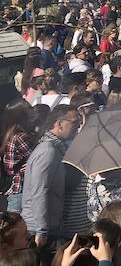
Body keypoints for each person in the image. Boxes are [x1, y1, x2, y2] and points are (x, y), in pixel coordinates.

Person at [21, 104, 80, 250]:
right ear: (59, 124)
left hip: (47, 226)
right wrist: (42, 230)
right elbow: (39, 191)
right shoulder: (48, 152)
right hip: (38, 228)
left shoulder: (55, 148)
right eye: (75, 123)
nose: (77, 127)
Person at [2, 101, 34, 212]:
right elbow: (37, 159)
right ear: (22, 116)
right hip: (20, 189)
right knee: (16, 226)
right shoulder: (21, 137)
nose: (33, 113)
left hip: (15, 190)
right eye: (30, 110)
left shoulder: (11, 134)